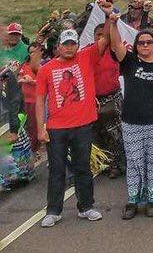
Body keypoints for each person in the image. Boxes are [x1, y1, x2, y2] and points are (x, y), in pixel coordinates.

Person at [107, 8, 153, 219]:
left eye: (148, 42)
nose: (145, 45)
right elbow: (116, 45)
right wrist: (113, 23)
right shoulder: (129, 62)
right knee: (135, 161)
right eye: (141, 43)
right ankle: (132, 201)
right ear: (136, 46)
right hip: (132, 122)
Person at [36, 25, 107, 227]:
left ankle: (86, 207)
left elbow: (105, 40)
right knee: (57, 169)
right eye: (65, 44)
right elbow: (40, 100)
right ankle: (53, 210)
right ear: (58, 46)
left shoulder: (86, 57)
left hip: (82, 124)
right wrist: (41, 128)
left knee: (83, 167)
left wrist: (108, 17)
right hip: (56, 127)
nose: (69, 48)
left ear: (77, 45)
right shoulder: (46, 69)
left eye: (73, 44)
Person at [89, 23, 125, 178]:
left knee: (115, 134)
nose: (101, 38)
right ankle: (102, 163)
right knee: (97, 133)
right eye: (99, 35)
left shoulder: (113, 51)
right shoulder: (88, 53)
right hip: (94, 100)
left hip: (112, 97)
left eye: (104, 35)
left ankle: (117, 164)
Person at [1, 64, 35, 190]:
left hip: (10, 120)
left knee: (14, 145)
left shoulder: (7, 77)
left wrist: (14, 128)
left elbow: (14, 103)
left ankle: (18, 174)